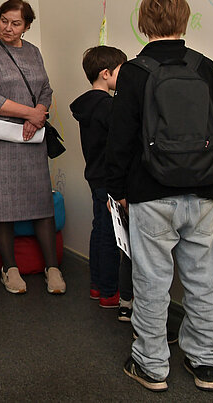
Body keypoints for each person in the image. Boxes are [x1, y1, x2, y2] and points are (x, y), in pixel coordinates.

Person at [107, 0, 213, 393]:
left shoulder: (133, 72)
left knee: (152, 282)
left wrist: (117, 188)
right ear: (184, 19)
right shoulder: (206, 68)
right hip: (203, 190)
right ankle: (205, 362)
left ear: (143, 22)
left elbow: (120, 137)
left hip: (150, 192)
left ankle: (151, 365)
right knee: (202, 280)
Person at [0, 0, 65, 295]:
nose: (8, 28)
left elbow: (45, 89)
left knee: (41, 199)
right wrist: (30, 114)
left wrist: (39, 113)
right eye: (4, 21)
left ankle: (52, 268)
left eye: (16, 23)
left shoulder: (33, 52)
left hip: (30, 136)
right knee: (2, 202)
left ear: (27, 26)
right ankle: (9, 268)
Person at [69, 45, 128, 309]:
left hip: (95, 176)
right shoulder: (108, 107)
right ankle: (108, 291)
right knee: (111, 236)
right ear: (106, 73)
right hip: (109, 179)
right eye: (120, 71)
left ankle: (96, 285)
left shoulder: (88, 105)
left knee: (100, 230)